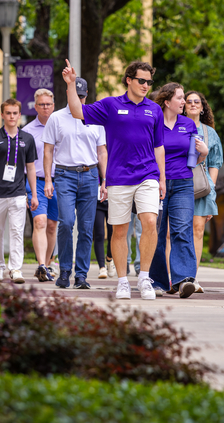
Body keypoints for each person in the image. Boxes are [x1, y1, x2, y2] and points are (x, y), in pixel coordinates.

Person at [62, 59, 164, 300]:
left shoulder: (155, 109)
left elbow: (159, 147)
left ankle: (144, 277)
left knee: (150, 222)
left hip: (148, 174)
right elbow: (77, 111)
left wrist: (162, 179)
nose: (146, 85)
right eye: (141, 80)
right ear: (129, 80)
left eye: (149, 82)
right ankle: (122, 281)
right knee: (119, 230)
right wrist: (69, 84)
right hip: (118, 177)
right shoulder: (110, 105)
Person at [43, 77, 107, 290]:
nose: (78, 99)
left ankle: (81, 275)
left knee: (87, 228)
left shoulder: (96, 118)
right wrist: (48, 179)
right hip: (65, 175)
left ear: (86, 95)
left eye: (81, 96)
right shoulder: (56, 118)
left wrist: (104, 180)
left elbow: (102, 152)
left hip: (90, 176)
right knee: (67, 223)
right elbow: (48, 150)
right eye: (74, 95)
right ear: (67, 93)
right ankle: (64, 271)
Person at [150, 83, 207, 298]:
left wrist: (203, 153)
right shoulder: (153, 123)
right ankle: (157, 281)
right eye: (180, 98)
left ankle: (184, 280)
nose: (185, 102)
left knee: (182, 230)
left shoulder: (188, 124)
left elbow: (194, 159)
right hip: (156, 183)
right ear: (167, 102)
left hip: (183, 182)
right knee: (155, 233)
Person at [0, 98, 39, 284]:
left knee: (16, 232)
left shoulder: (27, 138)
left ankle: (15, 269)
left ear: (19, 115)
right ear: (3, 115)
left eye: (15, 113)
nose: (12, 116)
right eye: (8, 113)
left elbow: (30, 169)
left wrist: (34, 194)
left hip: (18, 193)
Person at [184, 90, 223, 293]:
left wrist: (211, 188)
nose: (192, 104)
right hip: (178, 182)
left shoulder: (209, 133)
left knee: (197, 230)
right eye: (188, 101)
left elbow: (215, 162)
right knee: (176, 231)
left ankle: (192, 276)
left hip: (201, 187)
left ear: (202, 107)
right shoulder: (175, 127)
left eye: (196, 102)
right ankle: (175, 276)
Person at [22, 89, 58, 283]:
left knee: (52, 226)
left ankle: (48, 263)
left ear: (54, 105)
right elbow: (24, 164)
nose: (45, 107)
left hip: (58, 181)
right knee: (40, 222)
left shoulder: (60, 126)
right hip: (36, 181)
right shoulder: (27, 131)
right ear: (35, 107)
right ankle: (41, 265)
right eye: (42, 104)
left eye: (49, 104)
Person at [93, 198, 111, 278]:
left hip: (112, 201)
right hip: (97, 201)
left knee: (113, 235)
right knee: (99, 234)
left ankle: (109, 258)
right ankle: (102, 267)